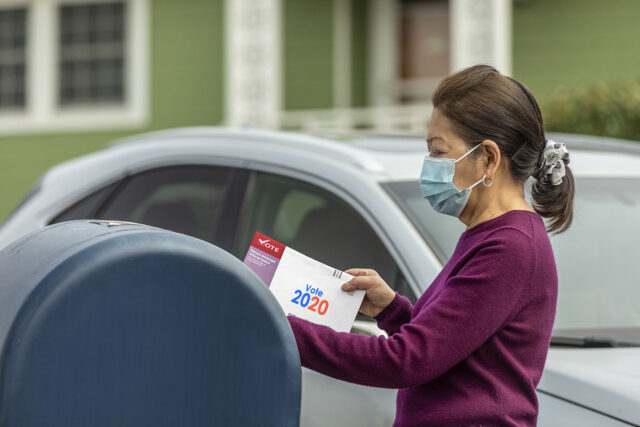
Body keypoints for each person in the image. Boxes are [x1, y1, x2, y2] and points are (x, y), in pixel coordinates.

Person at [286, 64, 575, 426]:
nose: (429, 165)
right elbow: (454, 349)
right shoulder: (492, 235)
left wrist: (280, 327)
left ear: (488, 158)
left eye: (439, 152)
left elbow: (407, 360)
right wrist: (392, 310)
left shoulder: (510, 247)